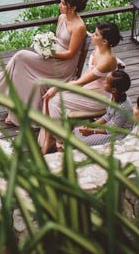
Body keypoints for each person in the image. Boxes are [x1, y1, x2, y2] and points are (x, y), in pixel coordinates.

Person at [0, 0, 88, 126]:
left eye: (63, 4)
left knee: (21, 56)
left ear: (73, 7)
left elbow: (70, 54)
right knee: (21, 64)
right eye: (60, 2)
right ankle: (16, 112)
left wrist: (51, 53)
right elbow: (57, 39)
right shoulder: (62, 17)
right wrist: (46, 44)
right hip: (53, 56)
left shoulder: (79, 27)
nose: (59, 5)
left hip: (63, 65)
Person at [40, 21, 122, 154]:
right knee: (52, 98)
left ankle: (59, 142)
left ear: (105, 41)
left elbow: (80, 82)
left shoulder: (107, 60)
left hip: (99, 98)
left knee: (54, 100)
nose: (92, 36)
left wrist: (56, 88)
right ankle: (52, 138)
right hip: (88, 89)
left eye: (96, 35)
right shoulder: (98, 49)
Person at [74, 69, 133, 147]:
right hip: (109, 125)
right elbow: (108, 115)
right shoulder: (113, 96)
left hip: (118, 134)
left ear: (114, 90)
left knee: (82, 141)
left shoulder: (123, 108)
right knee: (76, 131)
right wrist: (92, 125)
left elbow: (111, 130)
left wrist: (92, 131)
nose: (103, 82)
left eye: (106, 82)